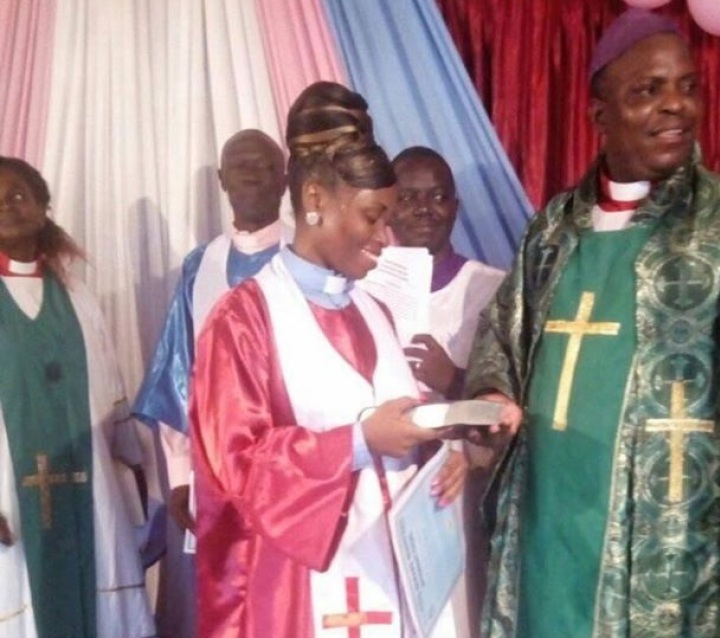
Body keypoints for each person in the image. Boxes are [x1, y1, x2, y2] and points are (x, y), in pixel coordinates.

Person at [465, 9, 720, 637]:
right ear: (599, 116)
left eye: (688, 86)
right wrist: (490, 393)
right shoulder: (554, 232)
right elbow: (503, 334)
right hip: (547, 537)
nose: (677, 106)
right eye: (648, 90)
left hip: (675, 560)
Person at [190, 89, 493, 637]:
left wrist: (438, 453)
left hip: (400, 581)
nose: (386, 237)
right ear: (315, 199)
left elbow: (394, 416)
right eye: (374, 217)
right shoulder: (243, 319)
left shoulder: (373, 308)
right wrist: (356, 443)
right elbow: (234, 469)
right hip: (303, 591)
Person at [133, 128, 288, 637]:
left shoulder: (304, 257)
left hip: (289, 458)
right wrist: (179, 474)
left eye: (263, 163)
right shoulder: (202, 265)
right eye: (238, 164)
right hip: (214, 464)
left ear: (285, 177)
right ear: (221, 179)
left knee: (284, 591)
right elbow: (178, 371)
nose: (249, 172)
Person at [0, 156, 155, 637]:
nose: (6, 205)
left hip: (91, 491)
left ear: (44, 207)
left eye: (18, 195)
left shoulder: (78, 295)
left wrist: (132, 471)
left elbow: (110, 393)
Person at [388, 145, 505, 636]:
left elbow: (510, 406)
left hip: (454, 483)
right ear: (388, 205)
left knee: (452, 617)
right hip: (385, 479)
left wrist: (453, 379)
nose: (423, 208)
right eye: (409, 197)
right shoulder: (360, 287)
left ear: (455, 206)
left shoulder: (491, 288)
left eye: (438, 196)